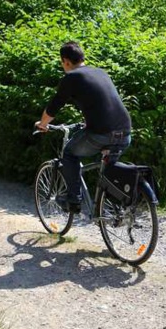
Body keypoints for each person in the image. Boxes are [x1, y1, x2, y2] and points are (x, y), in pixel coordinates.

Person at [35, 41, 132, 212]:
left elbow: (54, 106)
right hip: (125, 132)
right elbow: (103, 102)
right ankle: (114, 208)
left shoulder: (71, 77)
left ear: (65, 61)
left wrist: (42, 124)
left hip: (101, 133)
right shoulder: (101, 72)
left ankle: (74, 201)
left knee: (70, 153)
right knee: (109, 167)